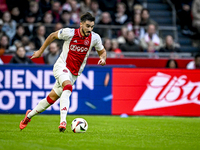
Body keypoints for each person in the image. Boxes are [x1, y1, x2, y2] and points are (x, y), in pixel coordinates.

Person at [19, 12, 107, 132]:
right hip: (61, 66)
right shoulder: (69, 33)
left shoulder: (95, 38)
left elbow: (102, 51)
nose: (90, 29)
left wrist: (102, 58)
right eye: (87, 26)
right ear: (81, 24)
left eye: (92, 26)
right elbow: (52, 36)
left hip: (74, 73)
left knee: (51, 98)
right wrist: (40, 52)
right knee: (68, 87)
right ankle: (63, 122)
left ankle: (28, 116)